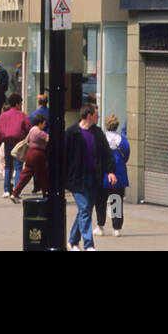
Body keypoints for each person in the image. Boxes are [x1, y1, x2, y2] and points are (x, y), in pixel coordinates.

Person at [64, 103, 115, 251]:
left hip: (94, 177)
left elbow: (107, 154)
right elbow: (64, 156)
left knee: (84, 210)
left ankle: (73, 241)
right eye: (96, 114)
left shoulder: (98, 133)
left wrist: (110, 171)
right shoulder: (72, 133)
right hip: (77, 178)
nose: (98, 117)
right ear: (89, 115)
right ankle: (89, 245)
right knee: (85, 208)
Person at [96, 114, 130, 236]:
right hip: (119, 173)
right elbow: (126, 156)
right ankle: (117, 228)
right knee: (117, 200)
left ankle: (100, 226)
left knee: (100, 201)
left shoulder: (100, 139)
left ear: (106, 124)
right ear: (117, 126)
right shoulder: (123, 141)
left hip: (103, 174)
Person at [0, 93, 30, 196]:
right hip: (19, 143)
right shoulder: (22, 115)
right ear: (17, 104)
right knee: (18, 167)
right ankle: (17, 190)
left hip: (7, 143)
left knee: (8, 166)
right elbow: (28, 129)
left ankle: (6, 189)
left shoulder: (3, 116)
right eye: (20, 103)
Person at [10, 113, 49, 202]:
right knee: (42, 175)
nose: (44, 125)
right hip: (38, 154)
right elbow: (48, 139)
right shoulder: (39, 132)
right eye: (44, 123)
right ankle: (46, 194)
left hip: (30, 153)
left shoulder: (31, 130)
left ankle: (15, 193)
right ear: (40, 123)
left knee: (26, 175)